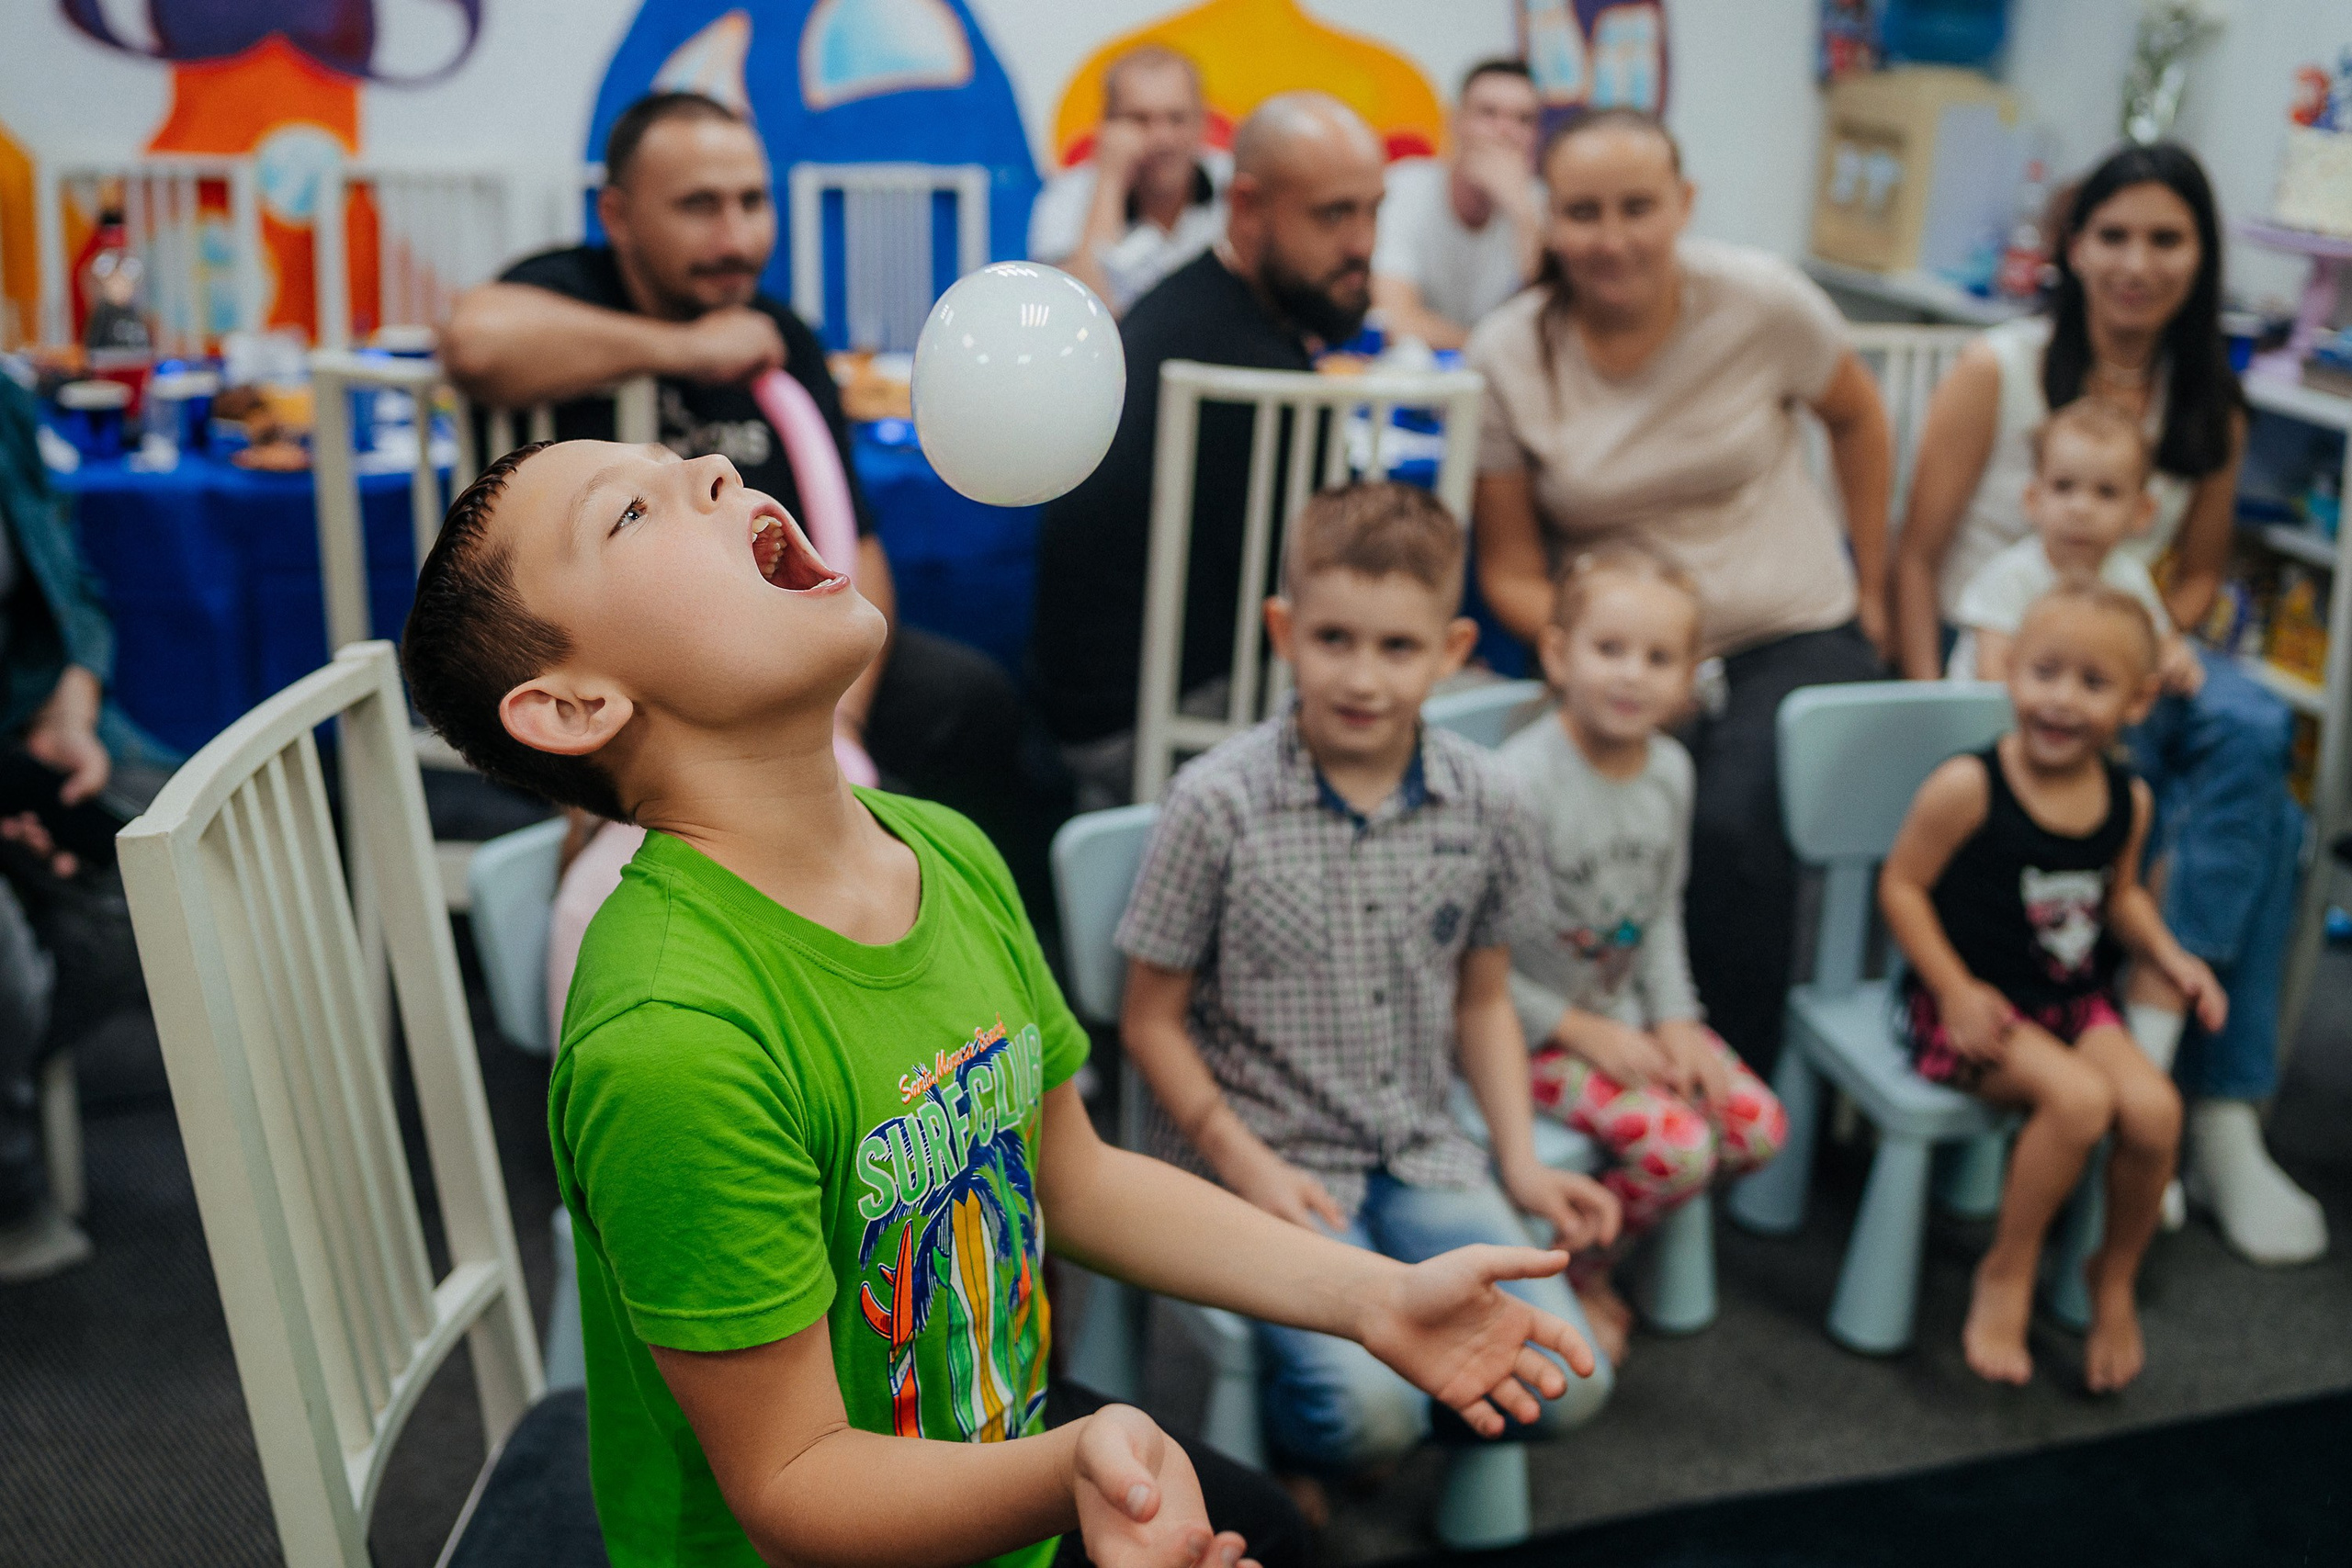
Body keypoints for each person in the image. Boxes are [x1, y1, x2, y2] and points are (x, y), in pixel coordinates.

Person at [400, 439, 1605, 1568]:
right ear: (572, 706)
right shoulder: (673, 1036)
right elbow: (794, 1478)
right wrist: (1076, 1460)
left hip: (1008, 1448)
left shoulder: (942, 847)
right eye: (631, 511)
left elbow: (1072, 1178)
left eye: (689, 465)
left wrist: (1372, 1293)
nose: (715, 467)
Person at [1116, 482, 1620, 1495]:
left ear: (1451, 648)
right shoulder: (1216, 802)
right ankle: (1310, 1444)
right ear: (1284, 630)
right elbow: (1149, 1019)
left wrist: (1517, 1162)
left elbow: (1483, 998)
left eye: (1398, 648)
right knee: (1363, 1418)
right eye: (1333, 638)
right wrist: (1242, 1163)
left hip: (1418, 1145)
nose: (1361, 676)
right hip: (1270, 1165)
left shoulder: (1490, 799)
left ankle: (1396, 1406)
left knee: (1576, 1383)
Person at [441, 91, 1047, 900]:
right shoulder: (568, 288)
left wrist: (844, 729)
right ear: (617, 216)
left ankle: (974, 924)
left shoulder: (781, 336)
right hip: (620, 669)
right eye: (699, 206)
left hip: (767, 652)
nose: (737, 237)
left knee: (970, 698)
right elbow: (475, 342)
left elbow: (854, 544)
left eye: (753, 202)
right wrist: (684, 348)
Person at [1889, 141, 2323, 1267]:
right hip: (2006, 664)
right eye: (2113, 235)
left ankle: (2174, 1069)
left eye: (2166, 239)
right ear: (2072, 247)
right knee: (2265, 817)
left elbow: (2191, 576)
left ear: (2201, 255)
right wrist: (1912, 701)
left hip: (2125, 658)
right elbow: (1917, 555)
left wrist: (2155, 652)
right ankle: (2193, 1088)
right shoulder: (2003, 367)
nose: (2136, 263)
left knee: (2257, 729)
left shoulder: (2206, 402)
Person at [1466, 108, 1894, 1079]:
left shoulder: (1762, 302)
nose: (1610, 239)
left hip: (1788, 626)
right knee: (1599, 815)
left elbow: (1859, 421)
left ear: (1683, 206)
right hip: (1628, 648)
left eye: (1636, 208)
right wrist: (1604, 653)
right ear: (1547, 217)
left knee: (1732, 820)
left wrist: (1870, 583)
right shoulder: (1508, 353)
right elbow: (1509, 570)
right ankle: (1583, 1053)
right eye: (1581, 212)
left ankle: (1723, 1075)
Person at [1880, 581, 2219, 1393]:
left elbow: (2123, 894)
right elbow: (1901, 886)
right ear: (2011, 673)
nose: (2061, 700)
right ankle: (2009, 1265)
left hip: (2071, 1002)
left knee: (2156, 1109)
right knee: (2079, 1101)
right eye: (2045, 672)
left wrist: (2171, 957)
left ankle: (2113, 1274)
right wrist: (1955, 989)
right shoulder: (1969, 786)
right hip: (1965, 1004)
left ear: (2138, 701)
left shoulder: (2126, 800)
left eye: (2092, 683)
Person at [1030, 93, 1386, 808]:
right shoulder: (1253, 376)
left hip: (1080, 718)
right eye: (1333, 214)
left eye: (1374, 210)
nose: (1362, 244)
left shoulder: (1186, 305)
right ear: (1247, 208)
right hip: (1150, 734)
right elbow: (1347, 592)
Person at [1498, 544, 1786, 1365]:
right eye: (1608, 649)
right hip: (1530, 1035)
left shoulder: (1670, 771)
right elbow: (1464, 971)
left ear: (1690, 676)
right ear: (1558, 653)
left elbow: (1659, 914)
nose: (1631, 675)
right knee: (1681, 1149)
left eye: (1659, 658)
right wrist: (1583, 1030)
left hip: (1624, 1015)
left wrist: (1679, 1022)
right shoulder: (1521, 784)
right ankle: (1575, 1270)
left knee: (1756, 1126)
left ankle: (1606, 1236)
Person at [0, 374, 175, 1281]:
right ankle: (11, 1181)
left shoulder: (3, 393)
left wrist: (73, 695)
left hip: (27, 714)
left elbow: (63, 575)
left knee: (199, 846)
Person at [1946, 400, 2201, 692]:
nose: (2081, 508)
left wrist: (2176, 661)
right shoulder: (2011, 577)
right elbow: (1992, 678)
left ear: (2142, 512)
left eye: (2106, 492)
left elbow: (2162, 643)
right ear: (2033, 499)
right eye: (2063, 486)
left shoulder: (2129, 578)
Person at [1029, 44, 1229, 315]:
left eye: (1177, 118)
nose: (1163, 138)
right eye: (1140, 119)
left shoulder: (1237, 185)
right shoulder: (1068, 196)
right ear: (1106, 124)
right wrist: (1109, 182)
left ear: (1202, 122)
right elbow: (1078, 318)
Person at [1370, 59, 1546, 351]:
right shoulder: (1405, 188)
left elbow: (1554, 325)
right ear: (1456, 121)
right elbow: (1395, 317)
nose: (1505, 131)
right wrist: (1492, 354)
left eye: (1523, 119)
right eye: (1488, 114)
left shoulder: (1542, 206)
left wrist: (1522, 213)